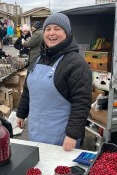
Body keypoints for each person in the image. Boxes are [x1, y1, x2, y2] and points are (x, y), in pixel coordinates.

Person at [16, 13, 92, 151]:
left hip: (61, 138)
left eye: (57, 29)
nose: (52, 33)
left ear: (67, 33)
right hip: (36, 132)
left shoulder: (76, 63)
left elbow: (81, 102)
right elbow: (28, 90)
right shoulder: (38, 59)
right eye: (48, 29)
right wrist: (21, 113)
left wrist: (72, 135)